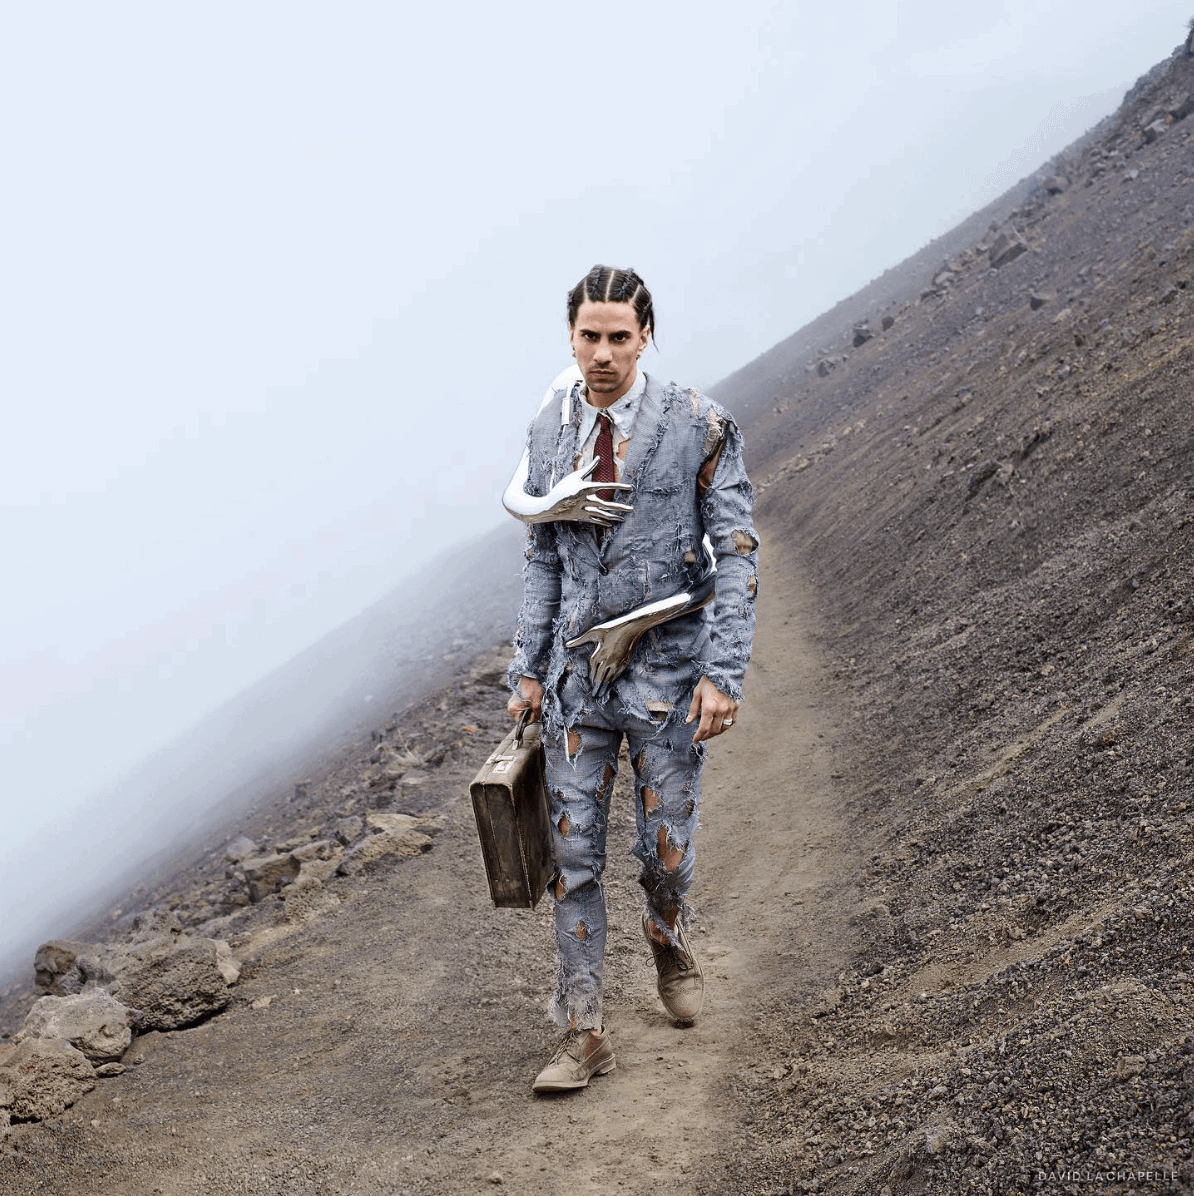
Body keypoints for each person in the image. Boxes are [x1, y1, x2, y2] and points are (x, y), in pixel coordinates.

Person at [502, 265, 758, 1093]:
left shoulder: (699, 425)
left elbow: (738, 550)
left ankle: (667, 932)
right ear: (569, 338)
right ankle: (583, 1031)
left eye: (619, 336)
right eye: (589, 336)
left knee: (663, 853)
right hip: (578, 687)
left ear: (646, 335)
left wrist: (722, 674)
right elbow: (541, 556)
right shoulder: (548, 435)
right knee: (572, 859)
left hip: (670, 678)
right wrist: (528, 671)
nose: (603, 353)